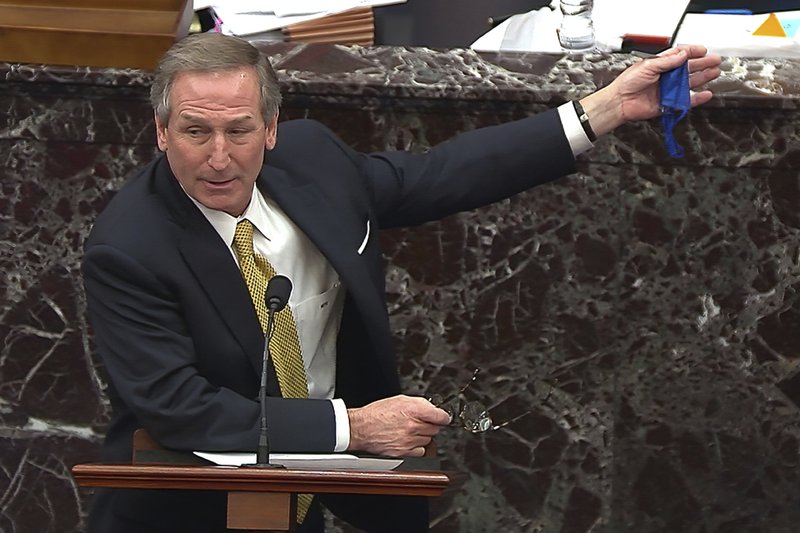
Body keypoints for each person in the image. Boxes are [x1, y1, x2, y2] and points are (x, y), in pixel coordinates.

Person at [82, 33, 721, 533]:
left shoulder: (312, 161)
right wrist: (351, 430)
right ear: (162, 132)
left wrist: (605, 108)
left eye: (239, 131)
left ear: (270, 130)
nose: (218, 157)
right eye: (195, 132)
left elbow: (441, 174)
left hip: (306, 497)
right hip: (183, 509)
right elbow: (180, 408)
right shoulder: (129, 248)